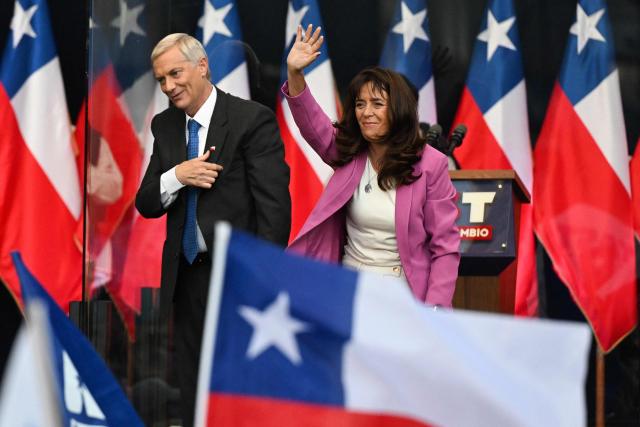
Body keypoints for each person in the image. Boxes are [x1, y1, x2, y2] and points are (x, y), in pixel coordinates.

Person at [135, 33, 291, 427]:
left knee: (237, 384)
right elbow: (148, 201)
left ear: (202, 66)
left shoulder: (250, 119)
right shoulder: (165, 125)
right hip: (186, 278)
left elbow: (274, 211)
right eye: (161, 80)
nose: (169, 86)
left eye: (175, 73)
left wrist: (259, 279)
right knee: (190, 386)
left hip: (237, 279)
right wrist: (177, 175)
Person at [284, 25, 460, 307]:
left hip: (404, 299)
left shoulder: (431, 164)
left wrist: (435, 310)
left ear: (398, 110)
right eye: (360, 104)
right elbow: (312, 124)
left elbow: (445, 247)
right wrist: (295, 74)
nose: (366, 112)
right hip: (347, 292)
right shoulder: (350, 152)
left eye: (377, 104)